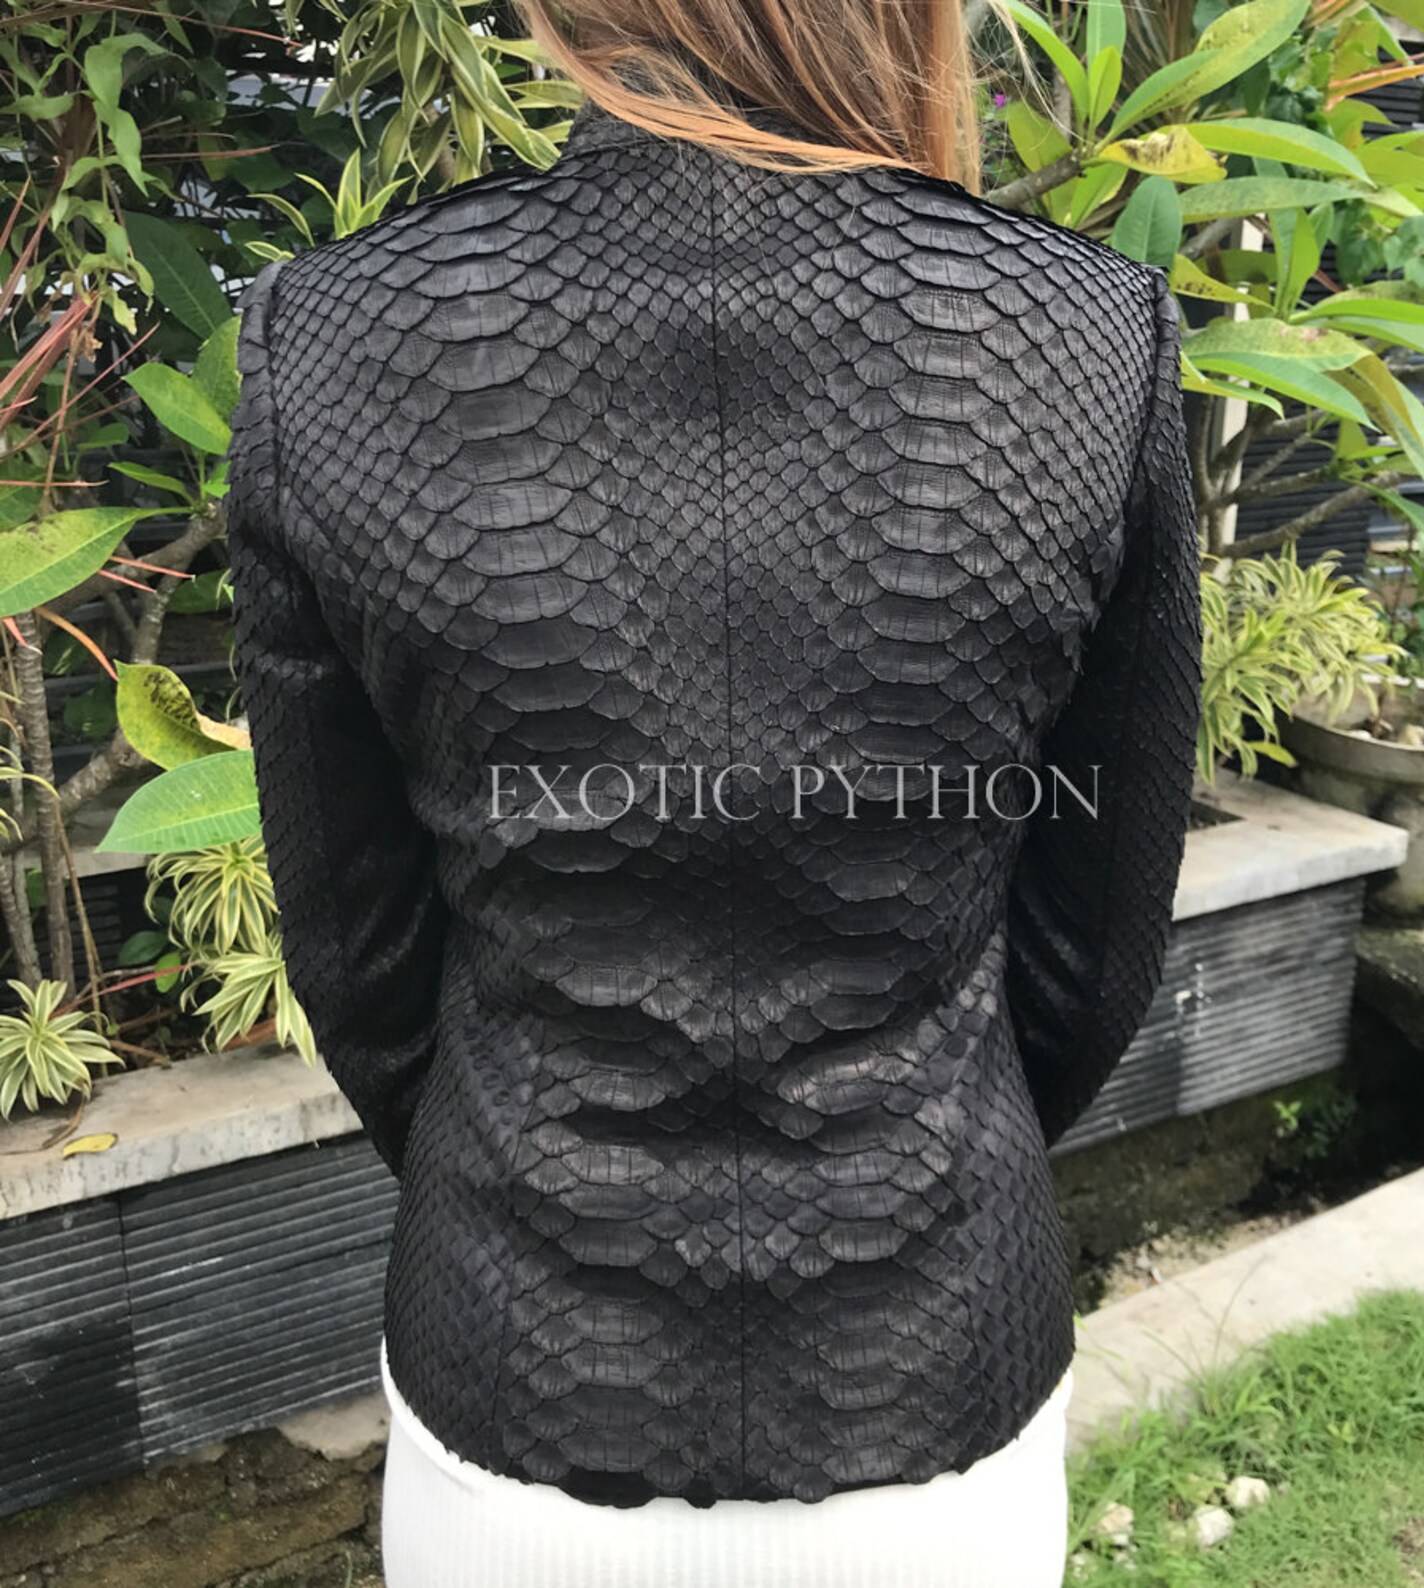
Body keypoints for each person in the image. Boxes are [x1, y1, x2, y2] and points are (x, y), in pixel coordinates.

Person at [222, 1, 1204, 1583]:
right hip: (936, 1376)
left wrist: (521, 1161)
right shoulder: (1085, 331)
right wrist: (925, 1143)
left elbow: (360, 955)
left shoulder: (331, 335)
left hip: (518, 1387)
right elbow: (1092, 949)